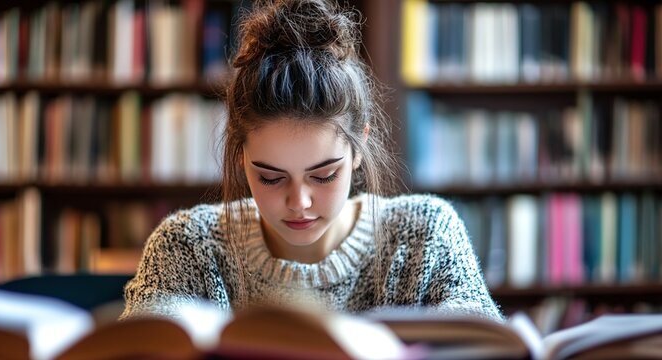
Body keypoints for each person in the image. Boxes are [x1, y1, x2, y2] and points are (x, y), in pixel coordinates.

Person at [121, 0, 502, 321]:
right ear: (240, 156)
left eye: (323, 175)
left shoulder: (425, 236)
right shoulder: (188, 246)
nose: (299, 202)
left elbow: (485, 345)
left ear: (358, 149)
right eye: (271, 178)